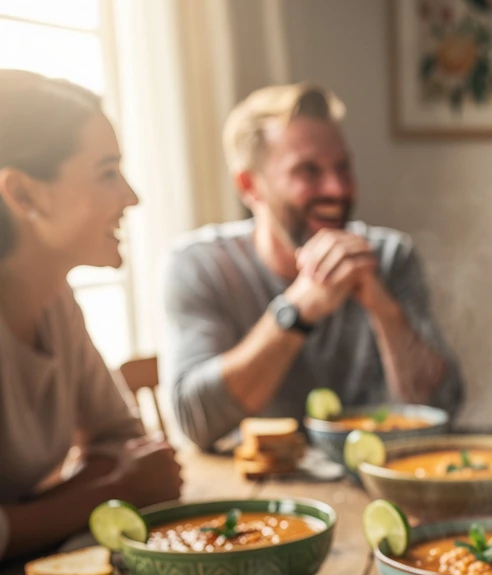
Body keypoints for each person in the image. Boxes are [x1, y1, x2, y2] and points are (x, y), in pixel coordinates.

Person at [163, 83, 463, 451]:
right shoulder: (201, 265)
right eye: (308, 171)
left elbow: (442, 408)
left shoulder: (388, 257)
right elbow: (195, 422)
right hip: (259, 493)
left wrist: (382, 307)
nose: (337, 189)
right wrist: (296, 311)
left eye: (343, 167)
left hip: (371, 479)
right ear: (249, 186)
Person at [0, 71, 182, 561]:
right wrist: (101, 495)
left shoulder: (55, 300)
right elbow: (131, 477)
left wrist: (32, 519)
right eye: (107, 173)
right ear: (23, 195)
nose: (132, 196)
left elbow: (123, 441)